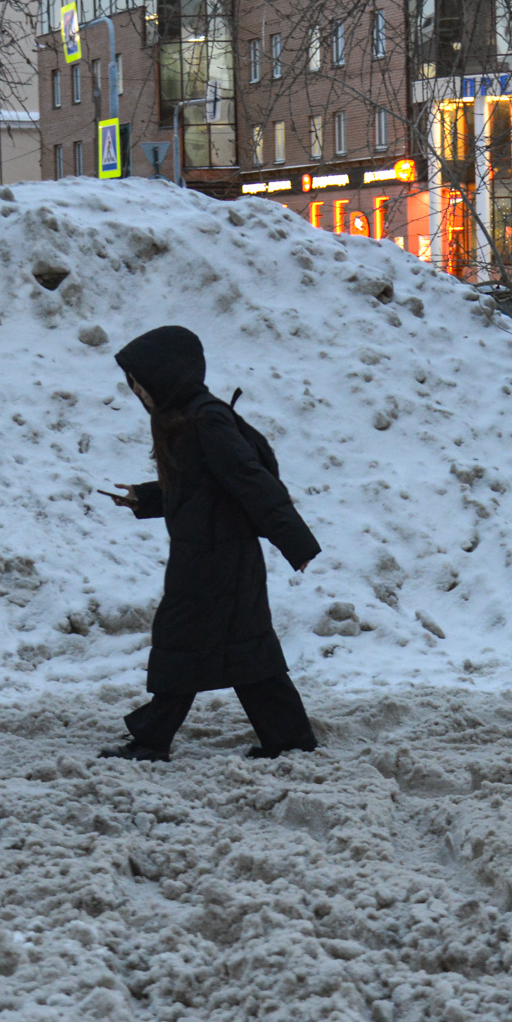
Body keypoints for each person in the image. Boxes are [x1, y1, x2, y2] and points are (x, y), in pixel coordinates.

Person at [99, 326, 322, 761]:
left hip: (215, 558)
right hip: (210, 551)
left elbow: (247, 478)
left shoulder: (206, 418)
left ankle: (151, 737)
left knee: (184, 641)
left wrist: (294, 540)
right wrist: (145, 497)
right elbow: (200, 488)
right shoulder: (184, 417)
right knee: (246, 648)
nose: (137, 392)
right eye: (133, 385)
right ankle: (289, 738)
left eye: (141, 382)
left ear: (167, 376)